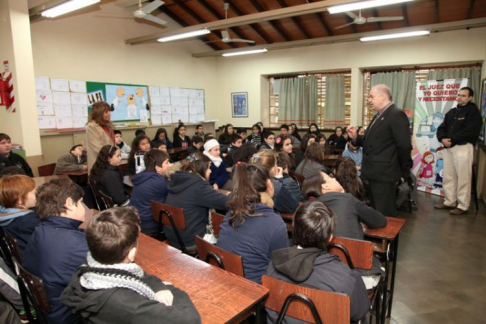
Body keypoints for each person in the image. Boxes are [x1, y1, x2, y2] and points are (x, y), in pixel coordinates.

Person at [61, 207, 200, 324]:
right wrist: (170, 287)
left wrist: (159, 286)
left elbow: (137, 274)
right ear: (132, 253)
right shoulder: (127, 304)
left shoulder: (87, 270)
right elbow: (191, 320)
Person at [265, 201, 370, 324]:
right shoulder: (346, 279)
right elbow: (360, 311)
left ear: (293, 229)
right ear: (330, 237)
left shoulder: (273, 266)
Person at [23, 177, 88, 324]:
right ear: (69, 204)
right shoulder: (76, 247)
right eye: (81, 202)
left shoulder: (41, 230)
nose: (83, 206)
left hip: (51, 311)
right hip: (71, 316)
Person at [347, 84, 412, 217]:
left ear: (382, 96)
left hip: (385, 173)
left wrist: (403, 171)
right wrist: (355, 137)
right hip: (375, 173)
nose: (369, 100)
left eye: (371, 96)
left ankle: (386, 237)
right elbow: (373, 142)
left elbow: (404, 146)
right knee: (377, 212)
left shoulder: (396, 114)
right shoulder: (380, 115)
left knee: (385, 213)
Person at [217, 164, 288, 284]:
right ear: (269, 184)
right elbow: (282, 265)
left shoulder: (232, 213)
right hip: (256, 288)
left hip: (227, 279)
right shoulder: (275, 223)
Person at [165, 153, 228, 252]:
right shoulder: (198, 185)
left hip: (175, 237)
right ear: (200, 169)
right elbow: (226, 203)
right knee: (229, 237)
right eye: (208, 168)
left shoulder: (178, 179)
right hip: (191, 241)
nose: (210, 171)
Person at [435, 87, 483, 215]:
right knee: (448, 175)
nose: (459, 97)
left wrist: (452, 139)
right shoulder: (452, 112)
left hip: (463, 147)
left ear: (470, 97)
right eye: (458, 95)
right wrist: (442, 138)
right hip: (448, 147)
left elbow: (470, 131)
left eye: (463, 95)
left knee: (463, 177)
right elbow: (441, 128)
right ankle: (449, 201)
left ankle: (463, 205)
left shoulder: (473, 112)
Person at [302, 172, 386, 240]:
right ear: (325, 186)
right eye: (330, 177)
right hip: (351, 256)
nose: (334, 178)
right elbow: (379, 221)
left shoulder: (306, 207)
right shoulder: (346, 199)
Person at [129, 150, 171, 235]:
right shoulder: (159, 181)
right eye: (167, 163)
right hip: (149, 225)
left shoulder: (143, 175)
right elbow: (177, 188)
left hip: (135, 220)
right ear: (158, 168)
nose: (170, 164)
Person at [0, 175, 40, 254]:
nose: (37, 193)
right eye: (33, 192)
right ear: (19, 200)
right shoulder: (30, 221)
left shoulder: (5, 215)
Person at [251, 150, 299, 214]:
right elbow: (293, 206)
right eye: (276, 164)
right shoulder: (275, 185)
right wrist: (280, 180)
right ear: (273, 168)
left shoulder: (247, 180)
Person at [86, 102, 114, 171]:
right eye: (106, 112)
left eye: (109, 111)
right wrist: (114, 155)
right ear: (99, 114)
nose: (109, 114)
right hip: (99, 166)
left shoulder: (107, 125)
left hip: (110, 164)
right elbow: (98, 148)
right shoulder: (91, 127)